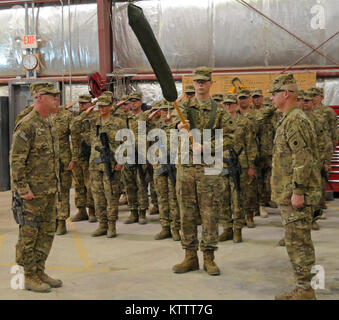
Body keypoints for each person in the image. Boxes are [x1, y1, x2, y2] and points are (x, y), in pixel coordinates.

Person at [269, 73, 321, 300]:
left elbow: (303, 158)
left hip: (296, 194)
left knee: (299, 244)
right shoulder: (288, 118)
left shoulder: (295, 120)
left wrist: (298, 191)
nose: (271, 98)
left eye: (274, 93)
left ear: (286, 94)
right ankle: (303, 288)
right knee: (295, 242)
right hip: (288, 191)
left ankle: (306, 290)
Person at [172, 66, 226, 276]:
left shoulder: (219, 111)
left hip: (209, 170)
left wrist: (207, 147)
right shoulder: (183, 108)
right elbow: (167, 125)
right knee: (186, 214)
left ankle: (209, 258)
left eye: (205, 81)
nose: (201, 84)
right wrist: (177, 126)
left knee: (210, 214)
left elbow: (231, 138)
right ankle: (190, 256)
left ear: (211, 83)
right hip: (186, 169)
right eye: (197, 81)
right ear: (193, 84)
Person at [10, 82, 62, 293]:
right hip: (32, 194)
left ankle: (39, 270)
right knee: (29, 235)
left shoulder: (49, 122)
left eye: (57, 96)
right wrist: (22, 189)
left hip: (48, 191)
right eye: (52, 96)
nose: (57, 100)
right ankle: (27, 275)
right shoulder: (27, 125)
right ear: (39, 97)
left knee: (47, 232)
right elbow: (16, 161)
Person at [218, 94, 256, 242]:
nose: (228, 107)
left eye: (231, 104)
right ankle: (227, 228)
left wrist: (251, 166)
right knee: (223, 198)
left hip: (240, 164)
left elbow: (251, 145)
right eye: (225, 104)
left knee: (238, 198)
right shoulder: (218, 122)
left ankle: (238, 230)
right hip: (221, 163)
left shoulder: (245, 122)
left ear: (236, 104)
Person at [152, 101, 181, 241]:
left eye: (168, 110)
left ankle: (175, 228)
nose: (165, 113)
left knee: (174, 198)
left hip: (174, 166)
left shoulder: (178, 127)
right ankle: (165, 227)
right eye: (163, 110)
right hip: (159, 166)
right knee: (162, 198)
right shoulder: (157, 126)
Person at [122, 92, 152, 225]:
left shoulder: (146, 118)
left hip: (142, 156)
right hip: (128, 155)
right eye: (131, 101)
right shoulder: (125, 118)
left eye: (136, 101)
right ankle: (133, 212)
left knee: (142, 185)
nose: (133, 103)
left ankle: (142, 213)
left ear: (141, 102)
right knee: (129, 186)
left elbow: (152, 136)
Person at [70, 94, 97, 223]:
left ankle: (92, 210)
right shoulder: (75, 116)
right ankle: (81, 210)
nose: (81, 106)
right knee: (78, 184)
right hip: (76, 155)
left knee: (90, 184)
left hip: (89, 155)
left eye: (84, 104)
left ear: (90, 104)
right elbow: (72, 126)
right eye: (80, 104)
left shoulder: (95, 117)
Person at [52, 91, 74, 235]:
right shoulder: (41, 115)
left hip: (64, 160)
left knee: (63, 191)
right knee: (48, 192)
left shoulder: (66, 116)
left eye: (55, 99)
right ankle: (51, 220)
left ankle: (61, 221)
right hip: (45, 161)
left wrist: (74, 159)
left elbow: (75, 139)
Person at [236, 89, 259, 227]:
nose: (242, 100)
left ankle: (250, 215)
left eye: (245, 98)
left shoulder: (253, 116)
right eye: (240, 98)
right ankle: (238, 216)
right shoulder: (231, 119)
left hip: (247, 159)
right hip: (233, 161)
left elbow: (252, 142)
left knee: (249, 190)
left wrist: (251, 164)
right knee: (236, 191)